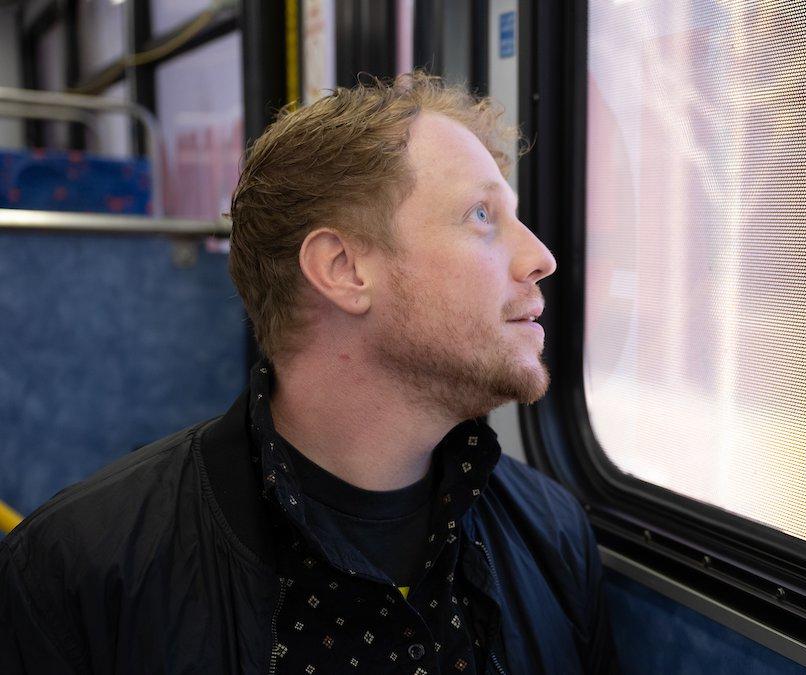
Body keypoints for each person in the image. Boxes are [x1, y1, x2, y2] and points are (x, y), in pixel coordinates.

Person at [0, 73, 615, 674]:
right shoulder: (81, 570)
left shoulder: (551, 533)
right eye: (481, 215)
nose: (541, 258)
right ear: (343, 268)